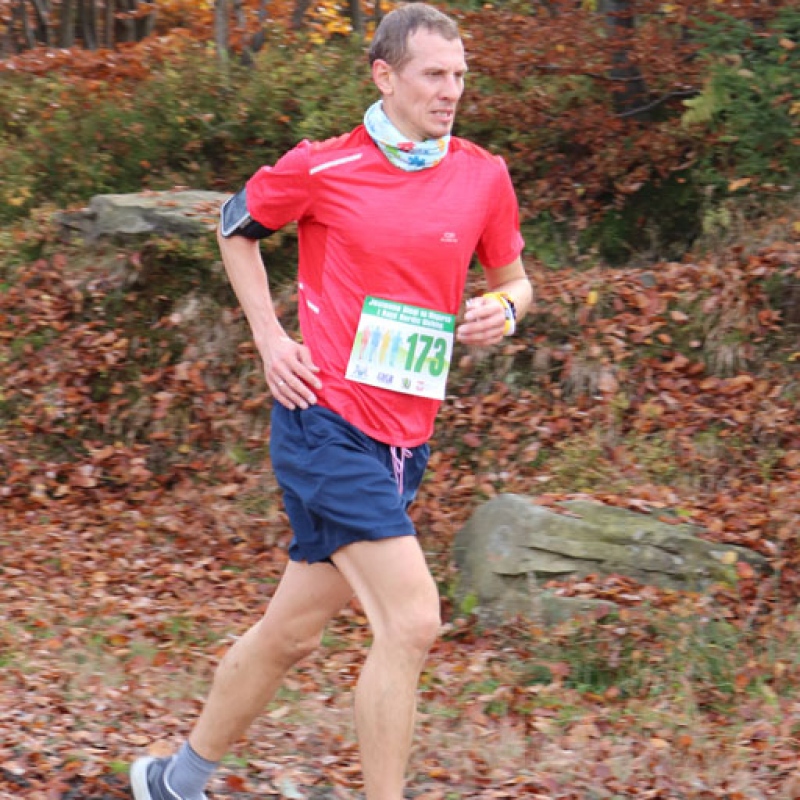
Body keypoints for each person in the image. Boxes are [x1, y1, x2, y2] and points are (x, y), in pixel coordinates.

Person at [130, 3, 532, 799]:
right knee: (412, 620)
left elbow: (516, 280)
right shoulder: (325, 166)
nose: (451, 90)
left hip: (404, 444)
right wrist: (270, 338)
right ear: (384, 76)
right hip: (325, 424)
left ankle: (176, 781)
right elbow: (234, 226)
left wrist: (506, 310)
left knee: (292, 633)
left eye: (459, 75)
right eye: (433, 75)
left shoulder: (482, 175)